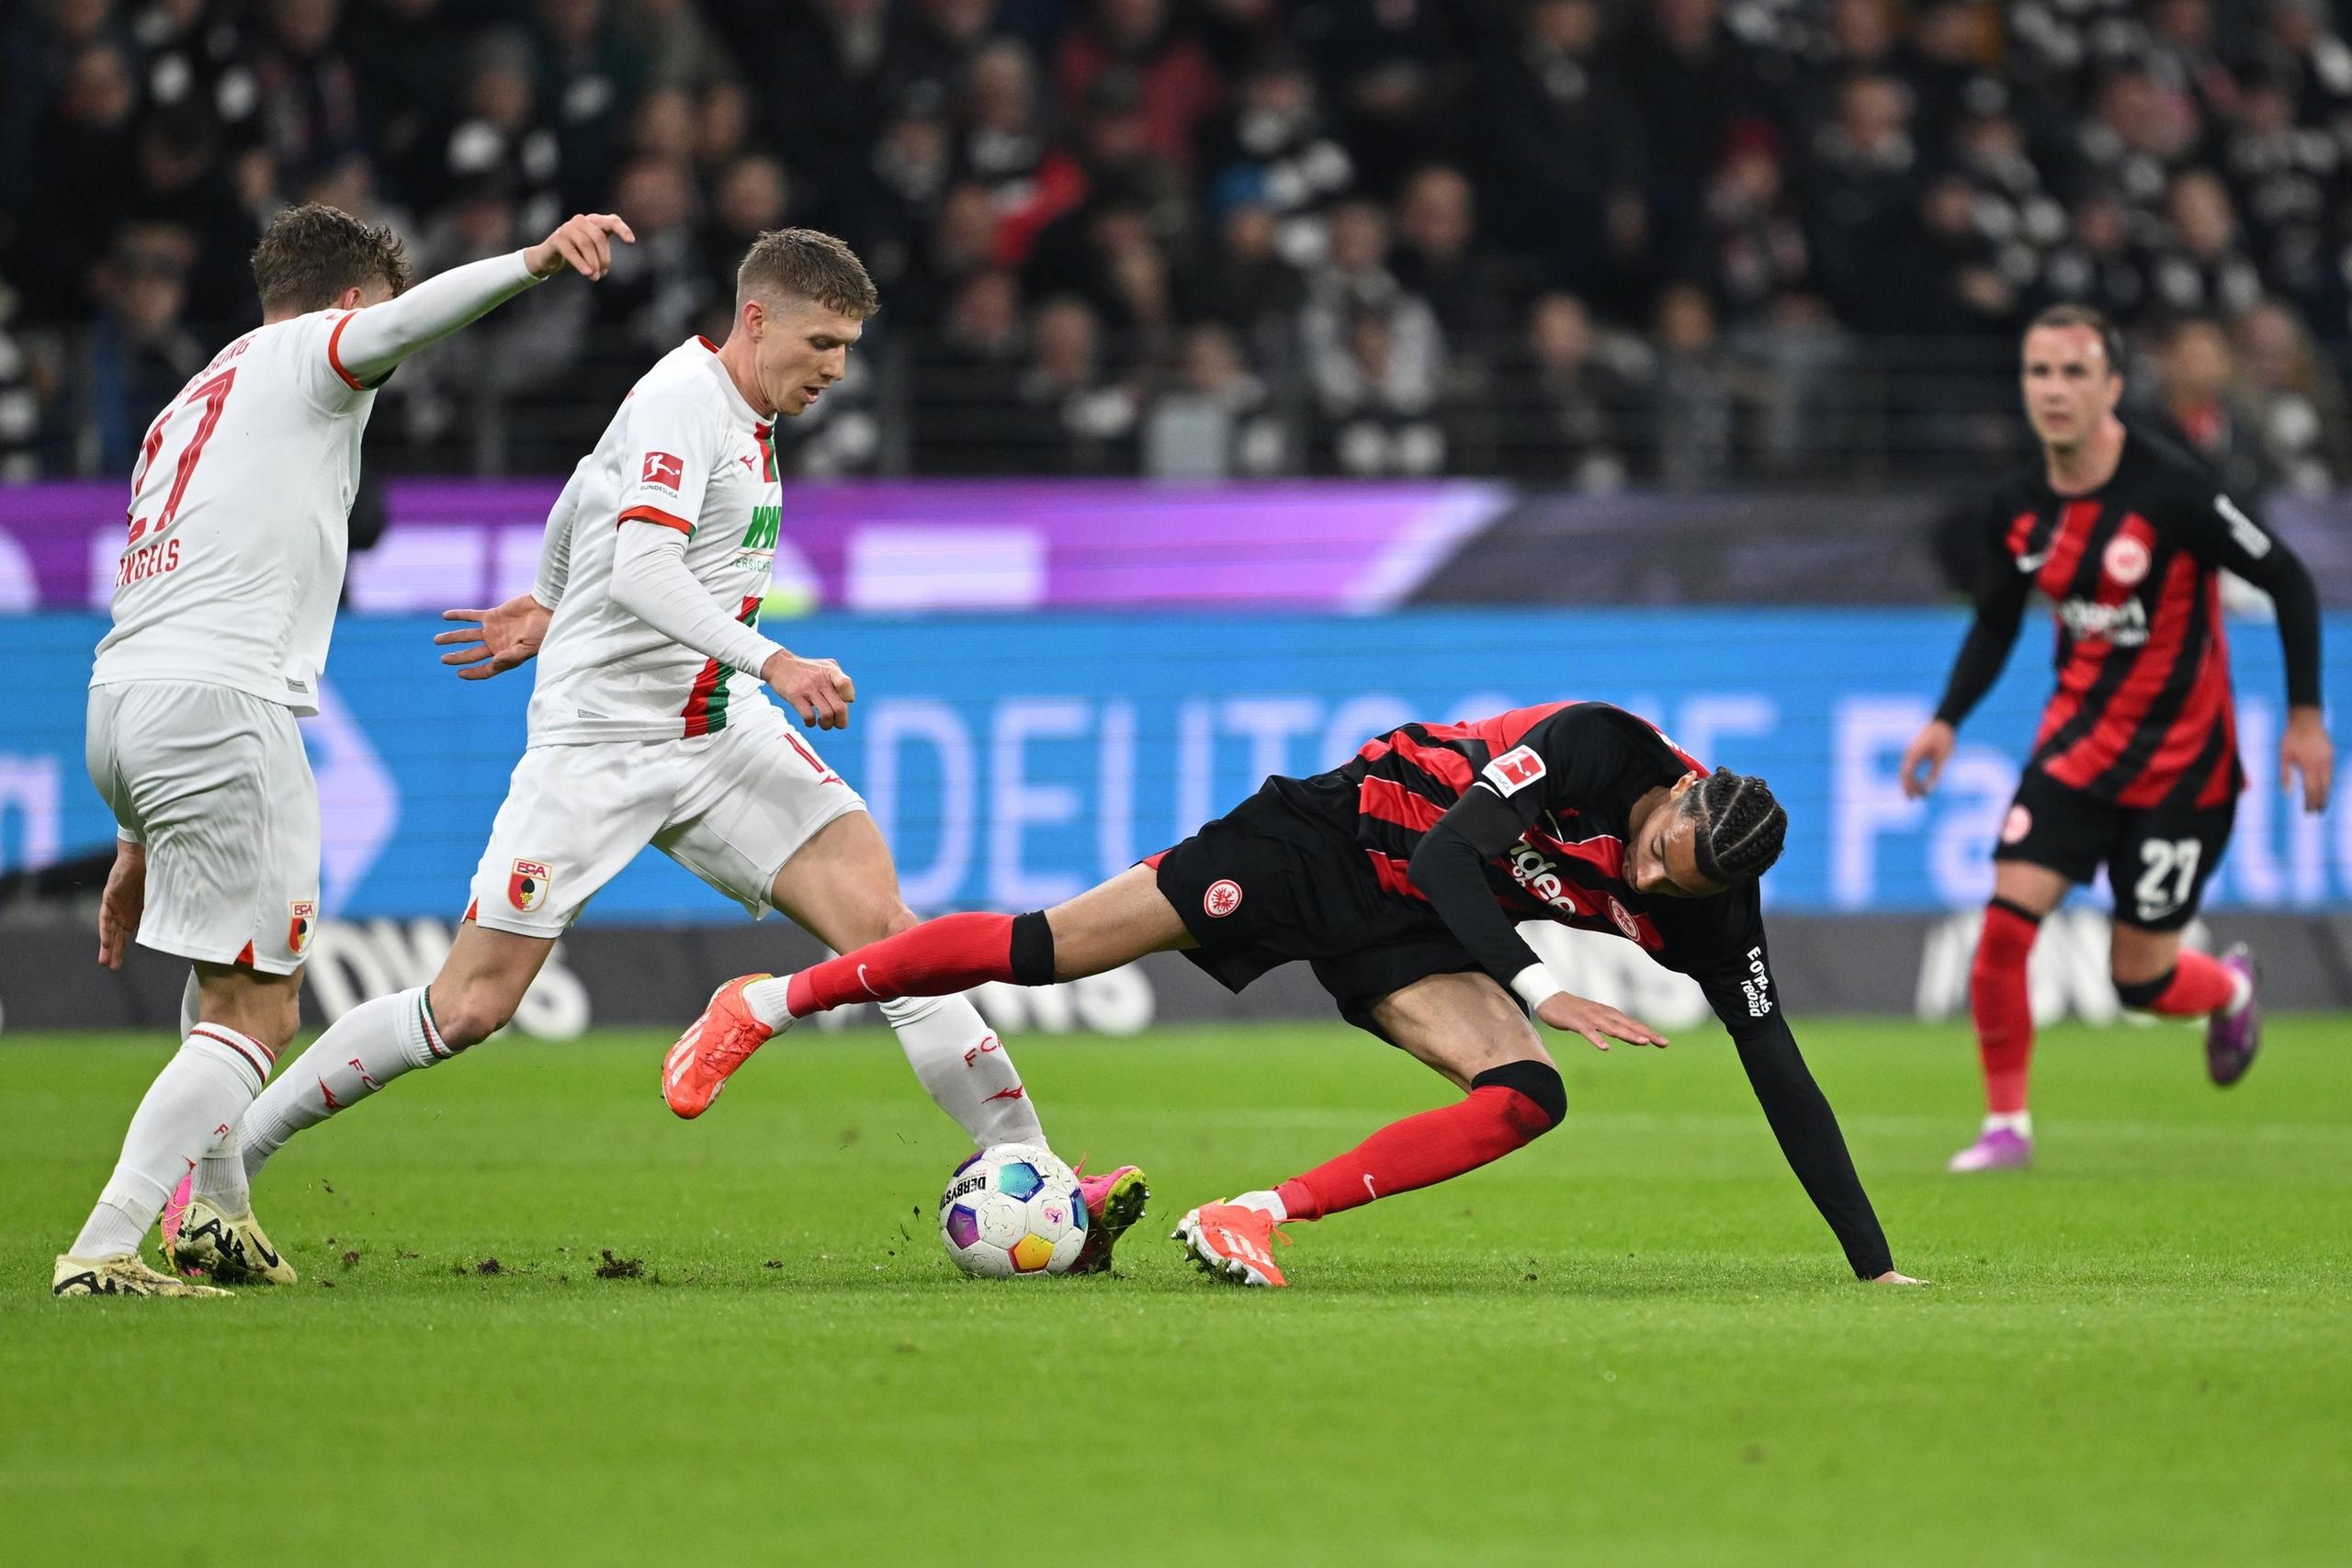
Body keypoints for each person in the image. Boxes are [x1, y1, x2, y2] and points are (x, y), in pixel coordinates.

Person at [180, 230, 1145, 1284]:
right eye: (822, 341)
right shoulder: (683, 401)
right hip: (598, 747)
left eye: (851, 347)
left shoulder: (741, 410)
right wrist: (774, 658)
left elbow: (585, 486)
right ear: (760, 318)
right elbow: (642, 567)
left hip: (713, 732)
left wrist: (548, 595)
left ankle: (1033, 1171)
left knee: (893, 939)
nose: (837, 367)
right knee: (469, 1007)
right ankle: (224, 1162)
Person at [666, 701, 1924, 1292]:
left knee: (1529, 1091)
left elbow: (1781, 1066)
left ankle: (1251, 1214)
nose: (1648, 873)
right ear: (1688, 791)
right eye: (1658, 846)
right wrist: (1548, 978)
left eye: (1672, 880)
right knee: (1046, 945)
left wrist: (1872, 1269)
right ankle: (770, 1001)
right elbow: (1447, 849)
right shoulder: (1603, 747)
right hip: (1326, 834)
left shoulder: (1712, 907)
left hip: (1418, 925)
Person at [60, 202, 634, 1299]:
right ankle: (105, 1245)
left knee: (223, 978)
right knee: (263, 1011)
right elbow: (402, 329)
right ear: (349, 302)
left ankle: (217, 1216)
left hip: (124, 697)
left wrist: (135, 834)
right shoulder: (310, 355)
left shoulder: (193, 400)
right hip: (225, 702)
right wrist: (532, 262)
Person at [1900, 304, 2333, 1174]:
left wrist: (2305, 718)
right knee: (2004, 926)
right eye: (2039, 373)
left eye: (2073, 373)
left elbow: (2287, 578)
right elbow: (1995, 621)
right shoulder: (2020, 507)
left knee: (2142, 978)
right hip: (2077, 750)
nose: (2054, 391)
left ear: (2110, 387)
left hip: (2184, 766)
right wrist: (1948, 718)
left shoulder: (2171, 488)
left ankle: (2231, 989)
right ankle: (2006, 1127)